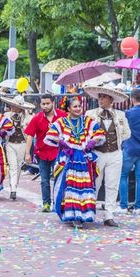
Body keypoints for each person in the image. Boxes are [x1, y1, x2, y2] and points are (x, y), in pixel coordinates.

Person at [44, 96, 105, 228]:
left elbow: (99, 133)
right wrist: (62, 143)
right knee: (69, 186)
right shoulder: (62, 122)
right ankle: (71, 214)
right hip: (69, 158)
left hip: (83, 158)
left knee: (84, 186)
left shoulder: (88, 121)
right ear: (68, 108)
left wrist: (92, 141)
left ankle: (84, 215)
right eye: (75, 106)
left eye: (79, 106)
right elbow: (50, 135)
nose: (78, 109)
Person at [85, 84, 130, 227]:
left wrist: (116, 142)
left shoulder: (121, 115)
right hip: (97, 154)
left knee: (112, 185)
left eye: (104, 97)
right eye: (99, 97)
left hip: (115, 153)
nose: (100, 99)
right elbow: (85, 133)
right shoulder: (90, 114)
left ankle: (109, 215)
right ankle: (89, 212)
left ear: (111, 99)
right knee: (94, 184)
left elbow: (127, 133)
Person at [24, 94, 67, 212]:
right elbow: (30, 135)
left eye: (48, 103)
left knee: (58, 179)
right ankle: (46, 203)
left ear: (53, 103)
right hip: (42, 153)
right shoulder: (37, 118)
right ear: (40, 104)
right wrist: (27, 153)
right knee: (44, 180)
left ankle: (57, 203)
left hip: (58, 153)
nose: (46, 106)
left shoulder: (63, 116)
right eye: (43, 104)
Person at [1, 95, 35, 200]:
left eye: (15, 105)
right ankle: (13, 189)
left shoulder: (29, 117)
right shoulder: (6, 116)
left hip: (22, 143)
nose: (12, 106)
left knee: (19, 166)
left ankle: (14, 185)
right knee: (12, 166)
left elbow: (31, 132)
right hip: (10, 143)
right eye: (12, 104)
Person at [119, 88, 140, 213]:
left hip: (129, 147)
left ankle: (123, 205)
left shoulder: (127, 113)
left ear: (132, 99)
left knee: (123, 176)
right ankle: (138, 207)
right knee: (139, 178)